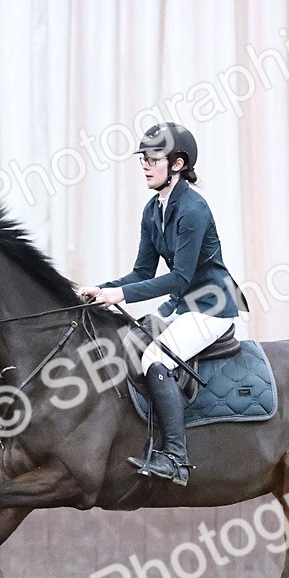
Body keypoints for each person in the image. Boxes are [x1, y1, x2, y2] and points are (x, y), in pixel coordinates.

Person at [78, 122, 247, 487]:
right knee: (128, 346)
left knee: (156, 358)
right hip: (183, 306)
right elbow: (141, 271)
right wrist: (100, 289)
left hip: (212, 308)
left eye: (153, 158)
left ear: (177, 163)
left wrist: (119, 296)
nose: (145, 165)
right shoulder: (153, 209)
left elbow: (180, 278)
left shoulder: (193, 210)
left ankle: (176, 458)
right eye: (143, 159)